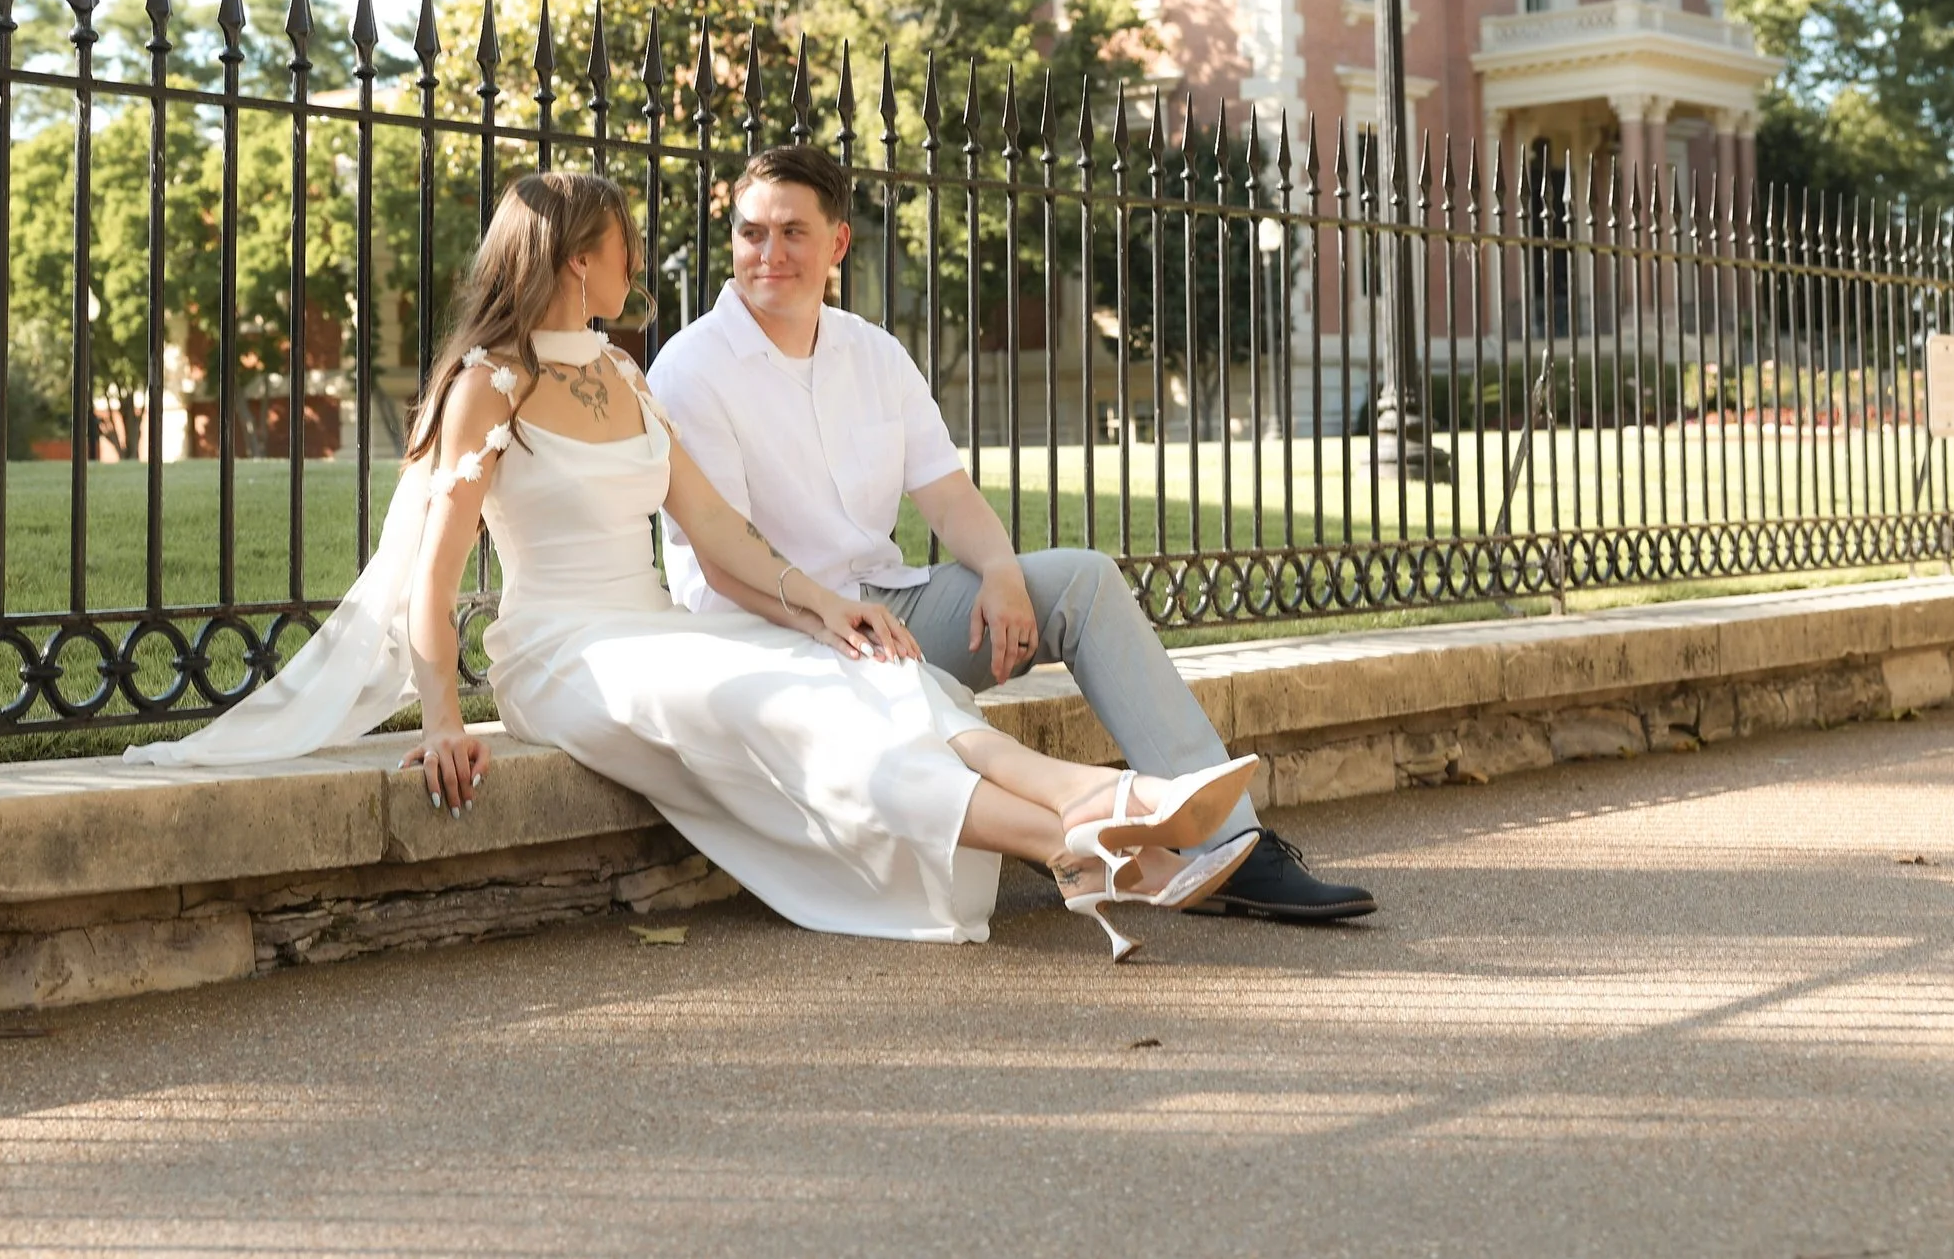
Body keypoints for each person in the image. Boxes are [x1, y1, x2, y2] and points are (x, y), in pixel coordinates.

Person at [131, 171, 1260, 959]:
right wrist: (439, 710)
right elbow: (431, 570)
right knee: (781, 699)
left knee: (863, 672)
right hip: (564, 652)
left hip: (660, 629)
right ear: (583, 259)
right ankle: (1081, 845)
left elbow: (718, 532)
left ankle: (1109, 807)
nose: (640, 264)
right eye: (625, 249)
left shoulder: (624, 377)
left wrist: (830, 609)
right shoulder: (490, 380)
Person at [648, 146, 1376, 922]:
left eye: (793, 232)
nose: (769, 253)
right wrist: (838, 618)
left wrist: (999, 570)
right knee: (902, 673)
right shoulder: (693, 369)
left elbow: (947, 491)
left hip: (885, 604)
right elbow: (727, 564)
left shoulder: (874, 354)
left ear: (837, 243)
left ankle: (1227, 848)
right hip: (774, 631)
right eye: (751, 232)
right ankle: (1098, 837)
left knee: (1082, 581)